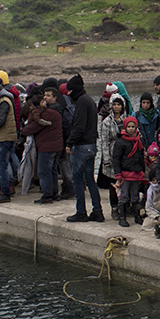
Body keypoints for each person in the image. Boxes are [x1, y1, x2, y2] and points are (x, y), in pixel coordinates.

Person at [64, 74, 104, 223]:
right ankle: (97, 210)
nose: (68, 94)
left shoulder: (81, 102)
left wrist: (69, 143)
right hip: (92, 145)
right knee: (90, 180)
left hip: (81, 147)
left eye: (69, 91)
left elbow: (79, 127)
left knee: (77, 179)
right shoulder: (90, 101)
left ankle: (81, 211)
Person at [20, 88, 63, 204]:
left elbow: (32, 128)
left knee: (44, 172)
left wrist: (23, 130)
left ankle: (47, 195)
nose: (45, 99)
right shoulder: (57, 112)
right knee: (53, 170)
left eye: (47, 97)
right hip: (57, 145)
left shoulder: (46, 114)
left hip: (47, 146)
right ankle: (54, 194)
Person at [111, 116, 150, 225]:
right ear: (125, 128)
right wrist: (118, 174)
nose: (131, 129)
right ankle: (122, 217)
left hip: (136, 173)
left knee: (135, 196)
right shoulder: (120, 142)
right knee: (124, 196)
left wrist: (143, 171)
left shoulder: (139, 141)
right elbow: (116, 159)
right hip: (125, 174)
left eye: (133, 126)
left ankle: (136, 215)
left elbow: (141, 157)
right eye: (129, 127)